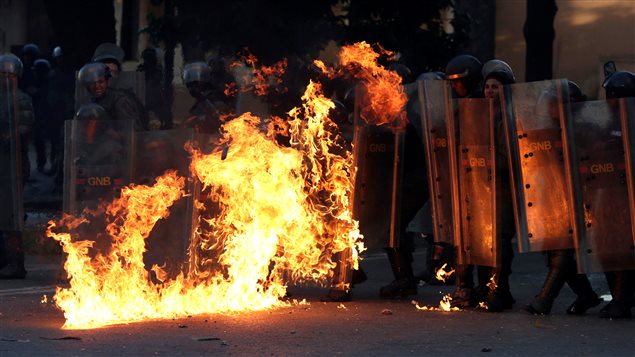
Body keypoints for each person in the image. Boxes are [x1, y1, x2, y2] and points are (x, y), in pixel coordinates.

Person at [525, 80, 602, 316]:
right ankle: (587, 295)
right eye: (549, 105)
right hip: (551, 195)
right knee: (553, 252)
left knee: (564, 251)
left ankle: (544, 299)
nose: (550, 109)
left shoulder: (585, 128)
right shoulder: (546, 130)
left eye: (555, 105)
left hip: (579, 198)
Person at [596, 70, 635, 319]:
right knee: (608, 248)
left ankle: (621, 299)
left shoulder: (631, 123)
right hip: (610, 192)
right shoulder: (610, 123)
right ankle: (620, 297)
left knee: (623, 249)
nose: (609, 102)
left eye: (613, 96)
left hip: (627, 195)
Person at [0, 54, 35, 279]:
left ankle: (15, 262)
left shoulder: (20, 99)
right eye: (2, 74)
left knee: (12, 214)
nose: (5, 79)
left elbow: (24, 127)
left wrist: (7, 137)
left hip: (13, 163)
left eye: (9, 75)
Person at [77, 62, 148, 130]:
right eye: (92, 83)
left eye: (101, 82)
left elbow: (130, 132)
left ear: (107, 81)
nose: (97, 86)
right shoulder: (93, 101)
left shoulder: (120, 101)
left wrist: (109, 132)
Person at [182, 61, 229, 136]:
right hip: (201, 142)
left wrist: (202, 99)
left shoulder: (217, 97)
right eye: (189, 85)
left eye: (194, 84)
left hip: (218, 141)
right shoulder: (197, 104)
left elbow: (219, 118)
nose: (191, 88)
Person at [137, 47, 170, 129]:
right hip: (143, 101)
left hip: (156, 102)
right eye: (147, 58)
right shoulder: (141, 70)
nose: (148, 61)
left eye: (150, 58)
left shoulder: (159, 71)